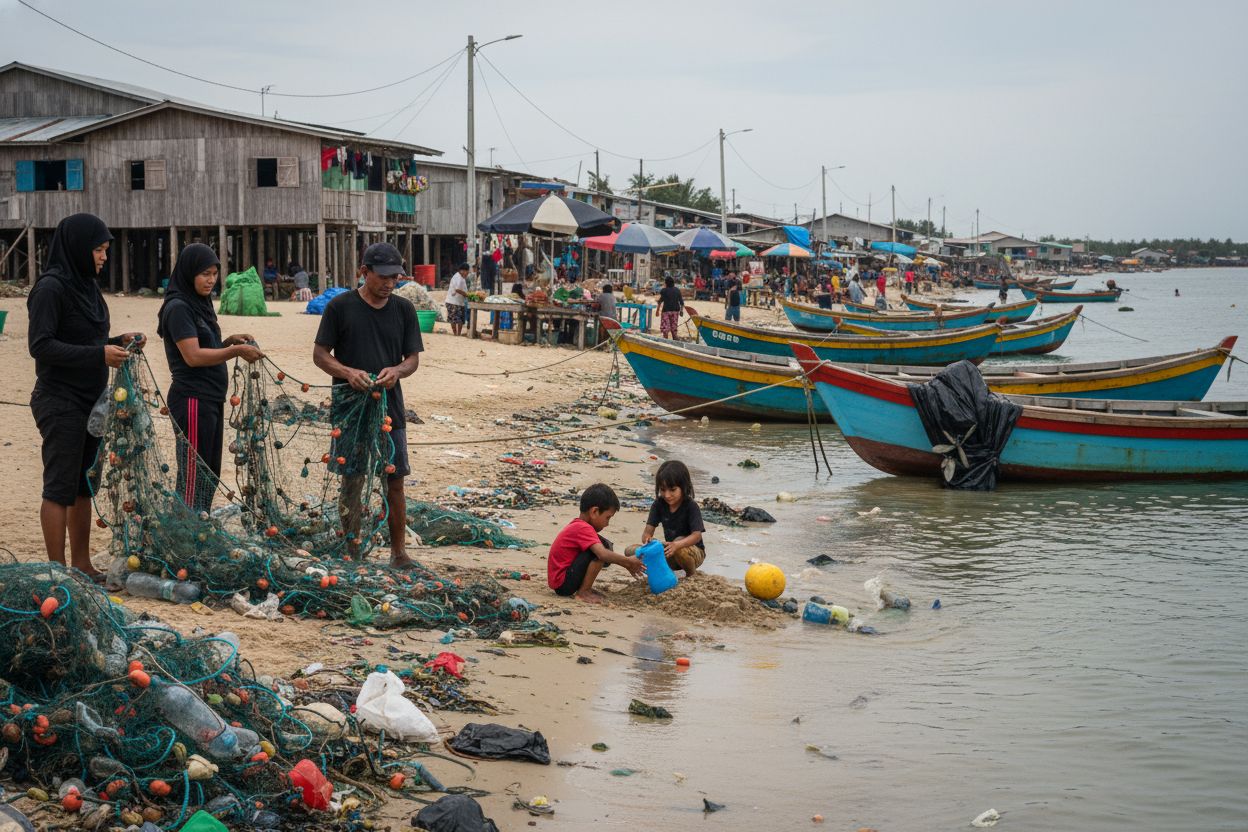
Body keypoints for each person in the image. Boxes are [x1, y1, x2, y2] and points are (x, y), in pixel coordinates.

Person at [27, 213, 146, 578]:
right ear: (78, 247)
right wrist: (99, 354)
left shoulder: (87, 286)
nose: (104, 257)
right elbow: (41, 346)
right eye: (98, 249)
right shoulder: (50, 289)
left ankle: (81, 565)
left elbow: (85, 339)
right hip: (59, 400)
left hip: (92, 402)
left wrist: (117, 341)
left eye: (106, 250)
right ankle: (58, 572)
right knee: (59, 487)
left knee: (84, 485)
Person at [313, 242, 422, 568]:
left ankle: (399, 553)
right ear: (364, 272)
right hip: (350, 409)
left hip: (390, 408)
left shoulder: (404, 310)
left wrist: (397, 371)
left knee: (395, 480)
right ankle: (352, 550)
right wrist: (348, 373)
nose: (390, 283)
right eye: (383, 276)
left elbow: (412, 359)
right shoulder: (340, 307)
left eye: (395, 277)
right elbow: (320, 355)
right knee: (352, 479)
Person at [157, 243, 264, 514]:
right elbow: (192, 356)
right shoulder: (179, 308)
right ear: (189, 272)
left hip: (210, 399)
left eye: (215, 274)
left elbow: (205, 345)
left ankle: (199, 526)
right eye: (205, 274)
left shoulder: (199, 304)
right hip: (192, 400)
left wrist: (228, 341)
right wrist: (236, 351)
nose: (211, 280)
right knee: (194, 475)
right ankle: (186, 532)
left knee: (209, 472)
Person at [548, 483, 644, 603]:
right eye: (607, 517)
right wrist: (628, 562)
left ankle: (584, 588)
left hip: (562, 582)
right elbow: (602, 554)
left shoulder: (579, 525)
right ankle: (584, 592)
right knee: (602, 549)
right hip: (564, 584)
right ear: (594, 512)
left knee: (605, 546)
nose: (607, 524)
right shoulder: (583, 528)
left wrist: (626, 563)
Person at [628, 460, 705, 577]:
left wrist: (677, 545)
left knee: (679, 542)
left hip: (692, 554)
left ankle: (691, 575)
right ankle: (660, 571)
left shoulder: (691, 506)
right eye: (663, 490)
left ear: (683, 487)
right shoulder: (658, 504)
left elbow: (697, 536)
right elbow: (647, 533)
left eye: (672, 490)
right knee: (630, 551)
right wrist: (650, 541)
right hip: (669, 551)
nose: (667, 495)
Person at [445, 262, 470, 336]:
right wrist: (466, 295)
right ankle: (455, 333)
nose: (467, 273)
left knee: (460, 319)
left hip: (460, 302)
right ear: (462, 270)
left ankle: (458, 334)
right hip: (453, 302)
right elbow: (457, 289)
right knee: (454, 319)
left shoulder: (462, 278)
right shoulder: (458, 277)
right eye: (467, 272)